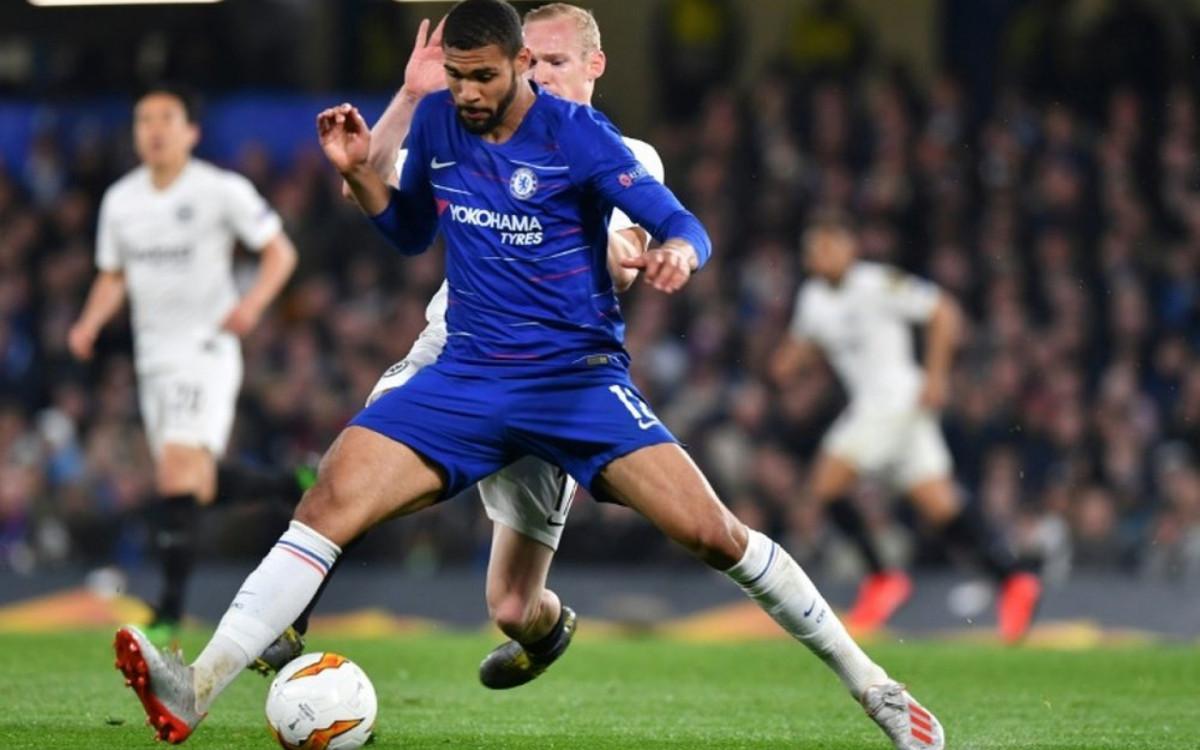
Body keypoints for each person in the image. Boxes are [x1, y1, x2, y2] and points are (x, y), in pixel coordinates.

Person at [112, 3, 944, 749]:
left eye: (511, 71)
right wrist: (362, 170)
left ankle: (874, 687)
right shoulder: (442, 120)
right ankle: (200, 684)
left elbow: (668, 220)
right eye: (464, 76)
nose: (478, 91)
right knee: (330, 495)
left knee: (710, 536)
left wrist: (678, 252)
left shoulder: (587, 139)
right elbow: (406, 233)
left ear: (540, 67)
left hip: (574, 384)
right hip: (464, 371)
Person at [256, 4, 666, 687]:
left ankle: (546, 627)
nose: (541, 75)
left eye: (558, 62)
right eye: (531, 61)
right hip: (457, 348)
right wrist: (412, 96)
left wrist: (622, 251)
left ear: (595, 66)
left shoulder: (618, 151)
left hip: (553, 371)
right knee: (351, 474)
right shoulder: (471, 128)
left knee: (509, 604)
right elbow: (367, 184)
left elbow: (628, 250)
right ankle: (288, 615)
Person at [67, 84, 307, 644]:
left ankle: (170, 611)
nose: (153, 128)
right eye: (143, 118)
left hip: (204, 350)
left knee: (176, 471)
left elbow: (280, 252)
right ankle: (290, 482)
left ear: (191, 132)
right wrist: (88, 322)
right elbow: (114, 274)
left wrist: (249, 307)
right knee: (193, 485)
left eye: (166, 118)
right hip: (154, 359)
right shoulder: (121, 201)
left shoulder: (220, 190)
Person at [769, 211, 1041, 642]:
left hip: (894, 397)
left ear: (849, 247)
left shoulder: (876, 283)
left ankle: (882, 579)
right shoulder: (813, 297)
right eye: (811, 249)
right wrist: (784, 364)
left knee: (823, 487)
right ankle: (1013, 578)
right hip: (883, 408)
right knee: (941, 507)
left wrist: (936, 375)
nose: (817, 256)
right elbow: (800, 347)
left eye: (825, 246)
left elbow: (944, 312)